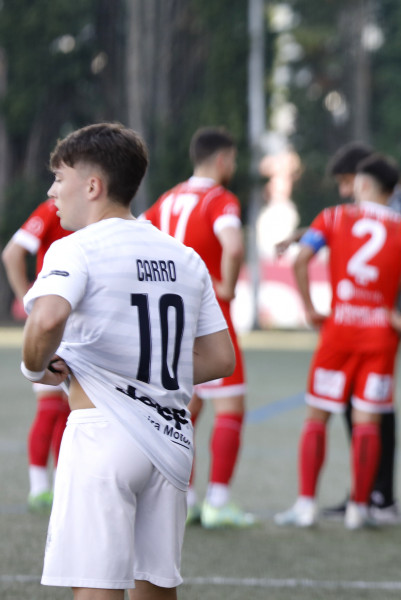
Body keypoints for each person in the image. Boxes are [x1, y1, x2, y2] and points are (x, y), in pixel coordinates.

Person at [22, 122, 234, 598]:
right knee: (155, 587)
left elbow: (45, 319)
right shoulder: (184, 256)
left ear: (93, 186)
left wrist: (35, 367)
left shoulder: (76, 248)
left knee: (96, 587)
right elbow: (220, 358)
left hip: (102, 434)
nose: (52, 190)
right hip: (171, 440)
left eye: (59, 178)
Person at [275, 153, 401, 530]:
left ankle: (305, 506)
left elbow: (301, 259)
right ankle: (360, 509)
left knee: (317, 415)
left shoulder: (334, 217)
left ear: (363, 185)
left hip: (339, 331)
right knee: (368, 420)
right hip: (380, 335)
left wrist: (309, 308)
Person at [143, 126, 254, 528]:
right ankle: (218, 502)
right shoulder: (220, 198)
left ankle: (183, 498)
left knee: (185, 408)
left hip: (171, 317)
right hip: (210, 316)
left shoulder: (169, 197)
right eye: (234, 160)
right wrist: (226, 285)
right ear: (222, 159)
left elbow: (141, 234)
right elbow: (234, 244)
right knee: (231, 408)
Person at [3, 199, 71, 511]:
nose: (52, 189)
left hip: (79, 324)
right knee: (50, 407)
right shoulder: (54, 208)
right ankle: (40, 486)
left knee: (71, 412)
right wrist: (29, 304)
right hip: (55, 322)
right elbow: (12, 252)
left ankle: (61, 484)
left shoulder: (95, 212)